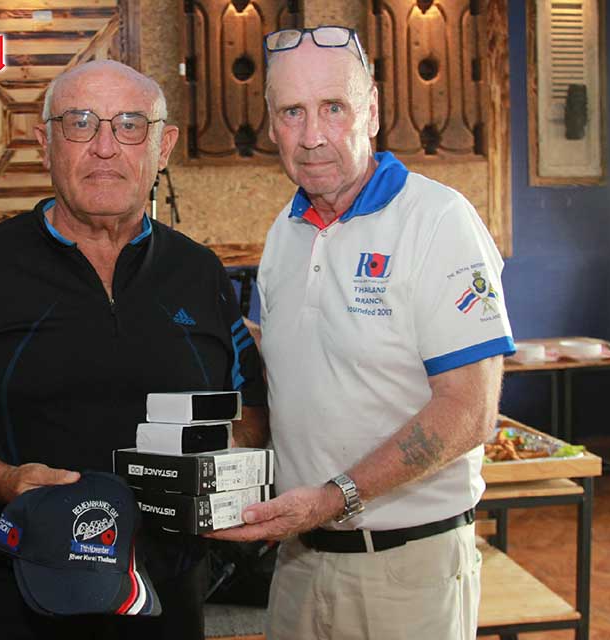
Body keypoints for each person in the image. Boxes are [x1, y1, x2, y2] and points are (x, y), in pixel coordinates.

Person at [0, 60, 267, 640]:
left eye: (130, 125)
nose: (105, 146)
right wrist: (3, 481)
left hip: (164, 601)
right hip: (2, 602)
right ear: (44, 145)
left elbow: (251, 406)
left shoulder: (199, 273)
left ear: (162, 148)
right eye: (79, 123)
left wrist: (225, 455)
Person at [211, 27, 515, 640]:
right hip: (297, 561)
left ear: (372, 111)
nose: (312, 135)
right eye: (292, 112)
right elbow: (307, 365)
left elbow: (470, 411)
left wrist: (334, 497)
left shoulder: (438, 221)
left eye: (334, 107)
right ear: (270, 124)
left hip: (405, 573)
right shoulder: (285, 232)